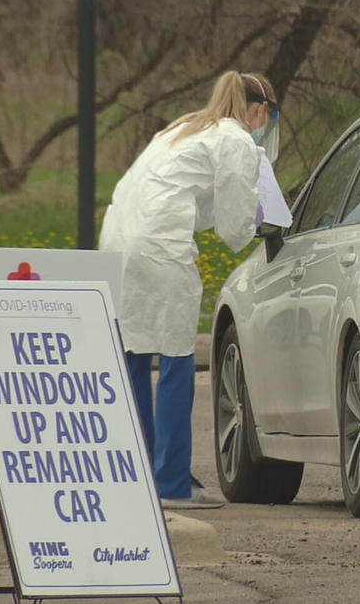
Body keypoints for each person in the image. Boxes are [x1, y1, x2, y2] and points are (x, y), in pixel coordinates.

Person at [99, 71, 278, 509]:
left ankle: (138, 472)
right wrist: (266, 221)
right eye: (268, 118)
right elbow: (237, 227)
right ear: (259, 109)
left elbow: (189, 200)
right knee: (178, 360)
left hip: (118, 242)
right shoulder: (236, 140)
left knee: (135, 355)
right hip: (162, 249)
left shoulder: (184, 127)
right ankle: (172, 483)